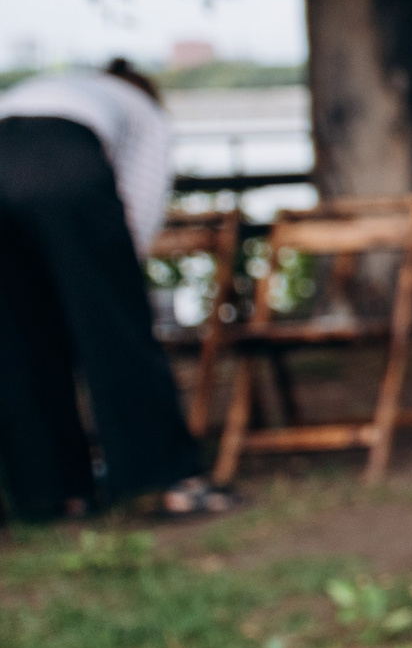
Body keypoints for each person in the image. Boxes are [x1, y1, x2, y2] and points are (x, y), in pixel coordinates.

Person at [0, 60, 235, 521]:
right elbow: (140, 205)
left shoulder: (53, 85)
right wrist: (115, 282)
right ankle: (164, 482)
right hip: (62, 160)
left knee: (18, 340)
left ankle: (52, 495)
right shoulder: (142, 109)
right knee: (117, 336)